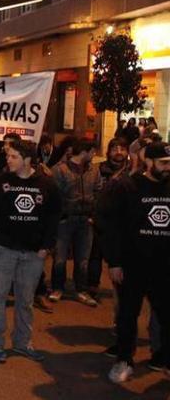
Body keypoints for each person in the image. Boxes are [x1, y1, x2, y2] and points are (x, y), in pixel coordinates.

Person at [99, 141, 170, 383]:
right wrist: (115, 262)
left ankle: (164, 359)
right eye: (163, 163)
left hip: (164, 266)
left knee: (166, 314)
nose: (167, 167)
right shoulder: (129, 187)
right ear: (148, 162)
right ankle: (124, 360)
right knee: (128, 315)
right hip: (133, 265)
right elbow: (113, 228)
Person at [0, 140, 61, 363]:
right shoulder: (0, 180)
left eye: (13, 157)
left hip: (33, 253)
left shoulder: (47, 184)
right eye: (8, 156)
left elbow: (54, 217)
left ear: (27, 160)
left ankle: (22, 342)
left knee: (25, 300)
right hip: (3, 249)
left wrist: (46, 246)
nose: (8, 160)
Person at [49, 138, 101, 307]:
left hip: (85, 220)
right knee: (60, 258)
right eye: (93, 152)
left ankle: (81, 290)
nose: (94, 155)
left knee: (83, 259)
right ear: (84, 152)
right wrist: (60, 215)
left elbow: (98, 192)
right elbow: (53, 196)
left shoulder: (93, 170)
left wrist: (93, 214)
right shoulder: (60, 170)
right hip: (65, 220)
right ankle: (57, 288)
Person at [89, 137, 130, 295]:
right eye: (115, 149)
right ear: (108, 152)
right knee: (95, 253)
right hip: (101, 220)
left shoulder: (132, 172)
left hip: (122, 223)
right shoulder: (98, 169)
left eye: (122, 149)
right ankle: (92, 285)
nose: (118, 152)